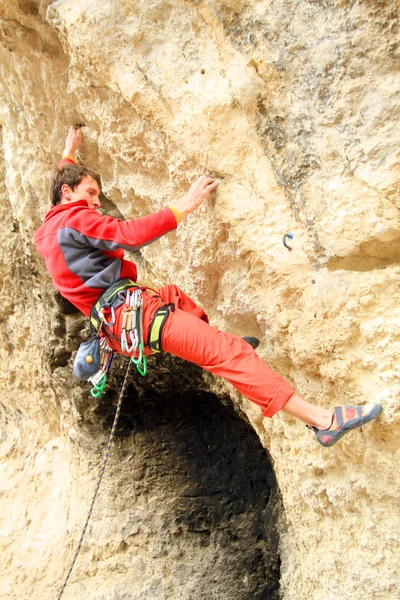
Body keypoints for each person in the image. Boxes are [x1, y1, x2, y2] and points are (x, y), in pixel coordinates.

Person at [34, 126, 382, 447]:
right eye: (91, 193)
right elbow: (129, 236)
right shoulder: (77, 218)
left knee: (173, 295)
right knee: (231, 355)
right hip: (134, 315)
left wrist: (69, 153)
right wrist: (185, 205)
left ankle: (217, 345)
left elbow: (61, 193)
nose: (96, 201)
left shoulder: (50, 230)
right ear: (68, 193)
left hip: (119, 323)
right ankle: (324, 421)